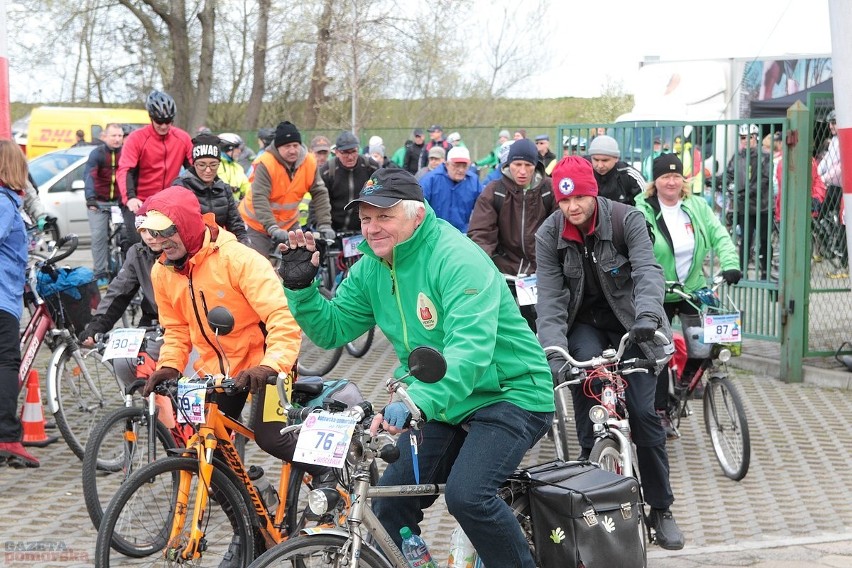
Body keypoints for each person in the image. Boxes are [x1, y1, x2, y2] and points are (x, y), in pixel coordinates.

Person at [277, 168, 554, 568]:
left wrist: (415, 400)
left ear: (417, 214)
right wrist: (302, 289)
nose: (372, 228)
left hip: (510, 393)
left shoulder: (456, 257)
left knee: (468, 496)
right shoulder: (372, 266)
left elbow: (469, 351)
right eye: (365, 219)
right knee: (388, 508)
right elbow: (333, 328)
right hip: (441, 401)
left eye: (384, 216)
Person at [137, 186, 333, 503]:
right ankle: (250, 528)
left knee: (270, 436)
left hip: (269, 363)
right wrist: (169, 366)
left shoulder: (238, 259)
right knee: (209, 456)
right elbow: (175, 328)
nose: (159, 243)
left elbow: (282, 318)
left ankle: (328, 471)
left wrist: (271, 366)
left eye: (165, 233)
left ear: (186, 225)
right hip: (219, 371)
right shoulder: (163, 271)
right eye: (151, 235)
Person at [535, 156, 684, 550]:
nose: (573, 207)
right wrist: (551, 350)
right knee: (587, 399)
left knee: (642, 413)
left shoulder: (626, 219)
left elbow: (648, 272)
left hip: (634, 323)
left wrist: (650, 316)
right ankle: (588, 507)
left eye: (579, 197)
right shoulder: (549, 234)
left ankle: (661, 508)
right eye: (564, 201)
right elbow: (550, 299)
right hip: (582, 325)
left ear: (593, 191)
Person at [634, 154, 741, 437]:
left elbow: (720, 235)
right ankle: (659, 413)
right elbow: (636, 244)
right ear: (654, 182)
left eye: (676, 176)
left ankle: (681, 388)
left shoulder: (696, 206)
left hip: (690, 290)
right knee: (660, 355)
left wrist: (730, 263)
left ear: (683, 180)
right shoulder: (642, 208)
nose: (671, 181)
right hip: (657, 292)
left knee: (703, 346)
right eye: (664, 177)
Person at [468, 138, 556, 331]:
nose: (522, 171)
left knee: (540, 324)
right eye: (517, 164)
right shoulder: (495, 191)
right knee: (500, 324)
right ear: (508, 164)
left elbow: (559, 230)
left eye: (528, 165)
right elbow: (481, 232)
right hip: (505, 268)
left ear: (536, 165)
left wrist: (552, 264)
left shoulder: (549, 190)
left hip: (540, 269)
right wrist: (483, 266)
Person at [0, 140, 40, 468]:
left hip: (8, 294)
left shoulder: (9, 203)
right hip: (1, 300)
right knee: (7, 364)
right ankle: (8, 437)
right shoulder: (2, 203)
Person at [239, 120, 334, 257]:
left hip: (289, 223)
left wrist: (324, 223)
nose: (293, 150)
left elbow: (320, 193)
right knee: (258, 266)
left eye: (295, 145)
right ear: (277, 147)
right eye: (287, 146)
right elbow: (259, 197)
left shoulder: (309, 162)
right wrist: (272, 227)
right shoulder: (266, 163)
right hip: (257, 224)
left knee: (299, 262)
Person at [117, 90, 193, 247]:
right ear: (151, 118)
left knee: (179, 239)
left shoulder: (182, 138)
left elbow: (193, 169)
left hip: (167, 201)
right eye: (159, 121)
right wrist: (130, 198)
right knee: (137, 242)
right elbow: (125, 170)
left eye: (169, 121)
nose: (164, 126)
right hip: (140, 200)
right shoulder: (137, 138)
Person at [79, 215, 162, 346]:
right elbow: (119, 291)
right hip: (154, 319)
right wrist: (97, 325)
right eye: (143, 230)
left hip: (187, 325)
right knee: (129, 363)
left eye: (154, 230)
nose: (149, 237)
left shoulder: (181, 251)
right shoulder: (137, 253)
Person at [171, 133, 249, 243]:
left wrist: (244, 247)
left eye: (213, 165)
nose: (208, 170)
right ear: (194, 164)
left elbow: (237, 227)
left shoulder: (224, 189)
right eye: (202, 165)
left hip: (218, 248)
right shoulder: (180, 187)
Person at [725, 123, 772, 279]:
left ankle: (765, 273)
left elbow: (764, 179)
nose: (745, 141)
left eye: (749, 137)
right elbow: (730, 174)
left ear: (756, 138)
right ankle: (742, 272)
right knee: (745, 240)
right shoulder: (738, 156)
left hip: (763, 206)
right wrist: (718, 181)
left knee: (764, 240)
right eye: (743, 138)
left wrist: (747, 191)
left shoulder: (764, 156)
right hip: (745, 207)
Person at [84, 122, 125, 286]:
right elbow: (89, 176)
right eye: (113, 136)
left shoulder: (126, 153)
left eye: (120, 136)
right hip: (99, 203)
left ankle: (123, 267)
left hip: (119, 202)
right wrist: (90, 198)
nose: (117, 139)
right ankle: (100, 273)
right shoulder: (97, 153)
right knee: (99, 237)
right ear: (105, 137)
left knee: (126, 235)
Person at [320, 131, 379, 233]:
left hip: (364, 228)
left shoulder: (370, 167)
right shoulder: (327, 170)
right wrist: (323, 226)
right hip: (333, 229)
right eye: (345, 153)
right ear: (337, 152)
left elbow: (381, 196)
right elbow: (320, 201)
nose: (350, 157)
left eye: (353, 151)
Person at [419, 146, 482, 233]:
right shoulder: (430, 180)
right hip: (435, 233)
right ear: (447, 164)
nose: (461, 170)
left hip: (463, 234)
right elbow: (419, 208)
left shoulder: (474, 181)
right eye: (456, 165)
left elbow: (483, 209)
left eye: (464, 166)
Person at [585, 134, 645, 206]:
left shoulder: (629, 175)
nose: (600, 165)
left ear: (616, 158)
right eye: (596, 160)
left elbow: (646, 205)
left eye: (605, 160)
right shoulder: (582, 171)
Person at [216, 133, 252, 201]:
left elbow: (247, 187)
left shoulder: (238, 167)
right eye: (237, 148)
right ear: (227, 148)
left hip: (235, 207)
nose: (239, 151)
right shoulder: (215, 165)